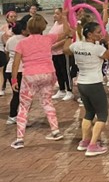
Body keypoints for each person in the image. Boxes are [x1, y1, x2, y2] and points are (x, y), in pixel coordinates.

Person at [10, 14, 71, 149]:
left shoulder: (22, 43)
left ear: (28, 28)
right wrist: (65, 18)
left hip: (30, 76)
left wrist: (14, 80)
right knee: (47, 102)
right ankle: (55, 131)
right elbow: (67, 33)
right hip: (48, 73)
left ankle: (20, 139)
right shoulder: (48, 39)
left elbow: (15, 64)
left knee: (24, 106)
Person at [63, 21, 109, 156]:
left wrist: (69, 37)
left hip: (82, 83)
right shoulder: (97, 49)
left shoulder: (76, 46)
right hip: (94, 83)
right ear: (90, 34)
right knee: (102, 114)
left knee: (89, 113)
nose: (101, 35)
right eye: (98, 32)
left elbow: (65, 50)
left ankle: (84, 141)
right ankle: (93, 145)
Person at [4, 20, 28, 124]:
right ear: (23, 30)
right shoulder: (26, 40)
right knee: (23, 95)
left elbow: (7, 52)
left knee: (16, 94)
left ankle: (12, 116)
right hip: (20, 70)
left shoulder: (10, 40)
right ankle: (20, 117)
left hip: (9, 70)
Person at [49, 8, 74, 101]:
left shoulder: (66, 25)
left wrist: (55, 46)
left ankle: (69, 91)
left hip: (62, 52)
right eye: (54, 13)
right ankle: (62, 89)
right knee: (58, 72)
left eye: (57, 14)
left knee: (65, 72)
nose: (55, 15)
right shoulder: (55, 24)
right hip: (54, 53)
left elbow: (67, 37)